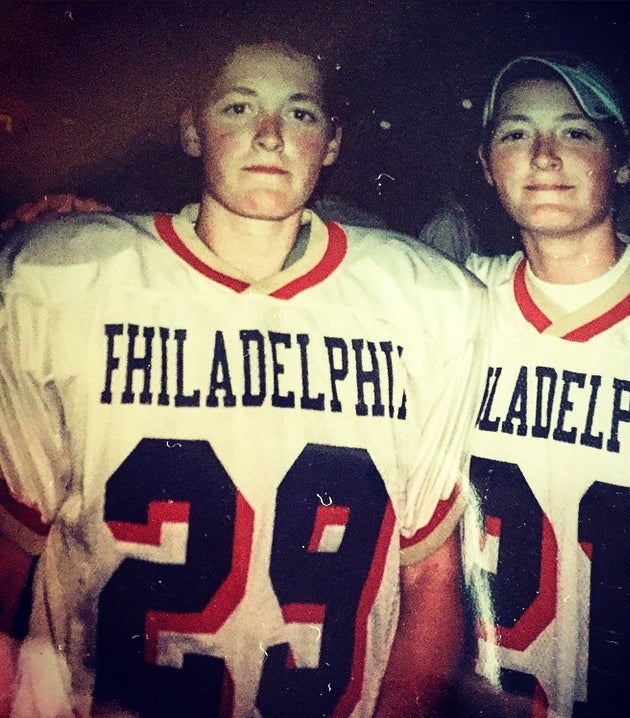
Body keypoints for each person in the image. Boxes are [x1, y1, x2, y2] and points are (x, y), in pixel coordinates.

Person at [0, 39, 491, 717]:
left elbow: (430, 579)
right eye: (239, 106)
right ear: (190, 128)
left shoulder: (425, 302)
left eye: (299, 113)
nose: (270, 135)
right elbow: (11, 545)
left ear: (333, 142)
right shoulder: (62, 280)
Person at [459, 54, 630, 717]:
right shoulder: (450, 304)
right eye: (516, 132)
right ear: (487, 164)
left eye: (575, 131)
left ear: (624, 158)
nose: (544, 156)